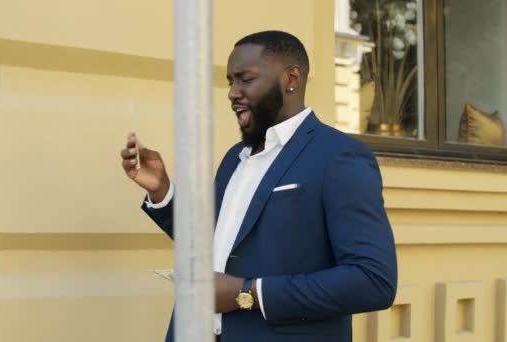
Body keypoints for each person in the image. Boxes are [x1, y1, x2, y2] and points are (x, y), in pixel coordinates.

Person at [121, 30, 397, 342]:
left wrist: (247, 293)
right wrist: (162, 190)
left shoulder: (338, 156)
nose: (232, 92)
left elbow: (373, 281)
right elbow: (218, 245)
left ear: (290, 78)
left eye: (245, 79)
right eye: (230, 81)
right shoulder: (233, 159)